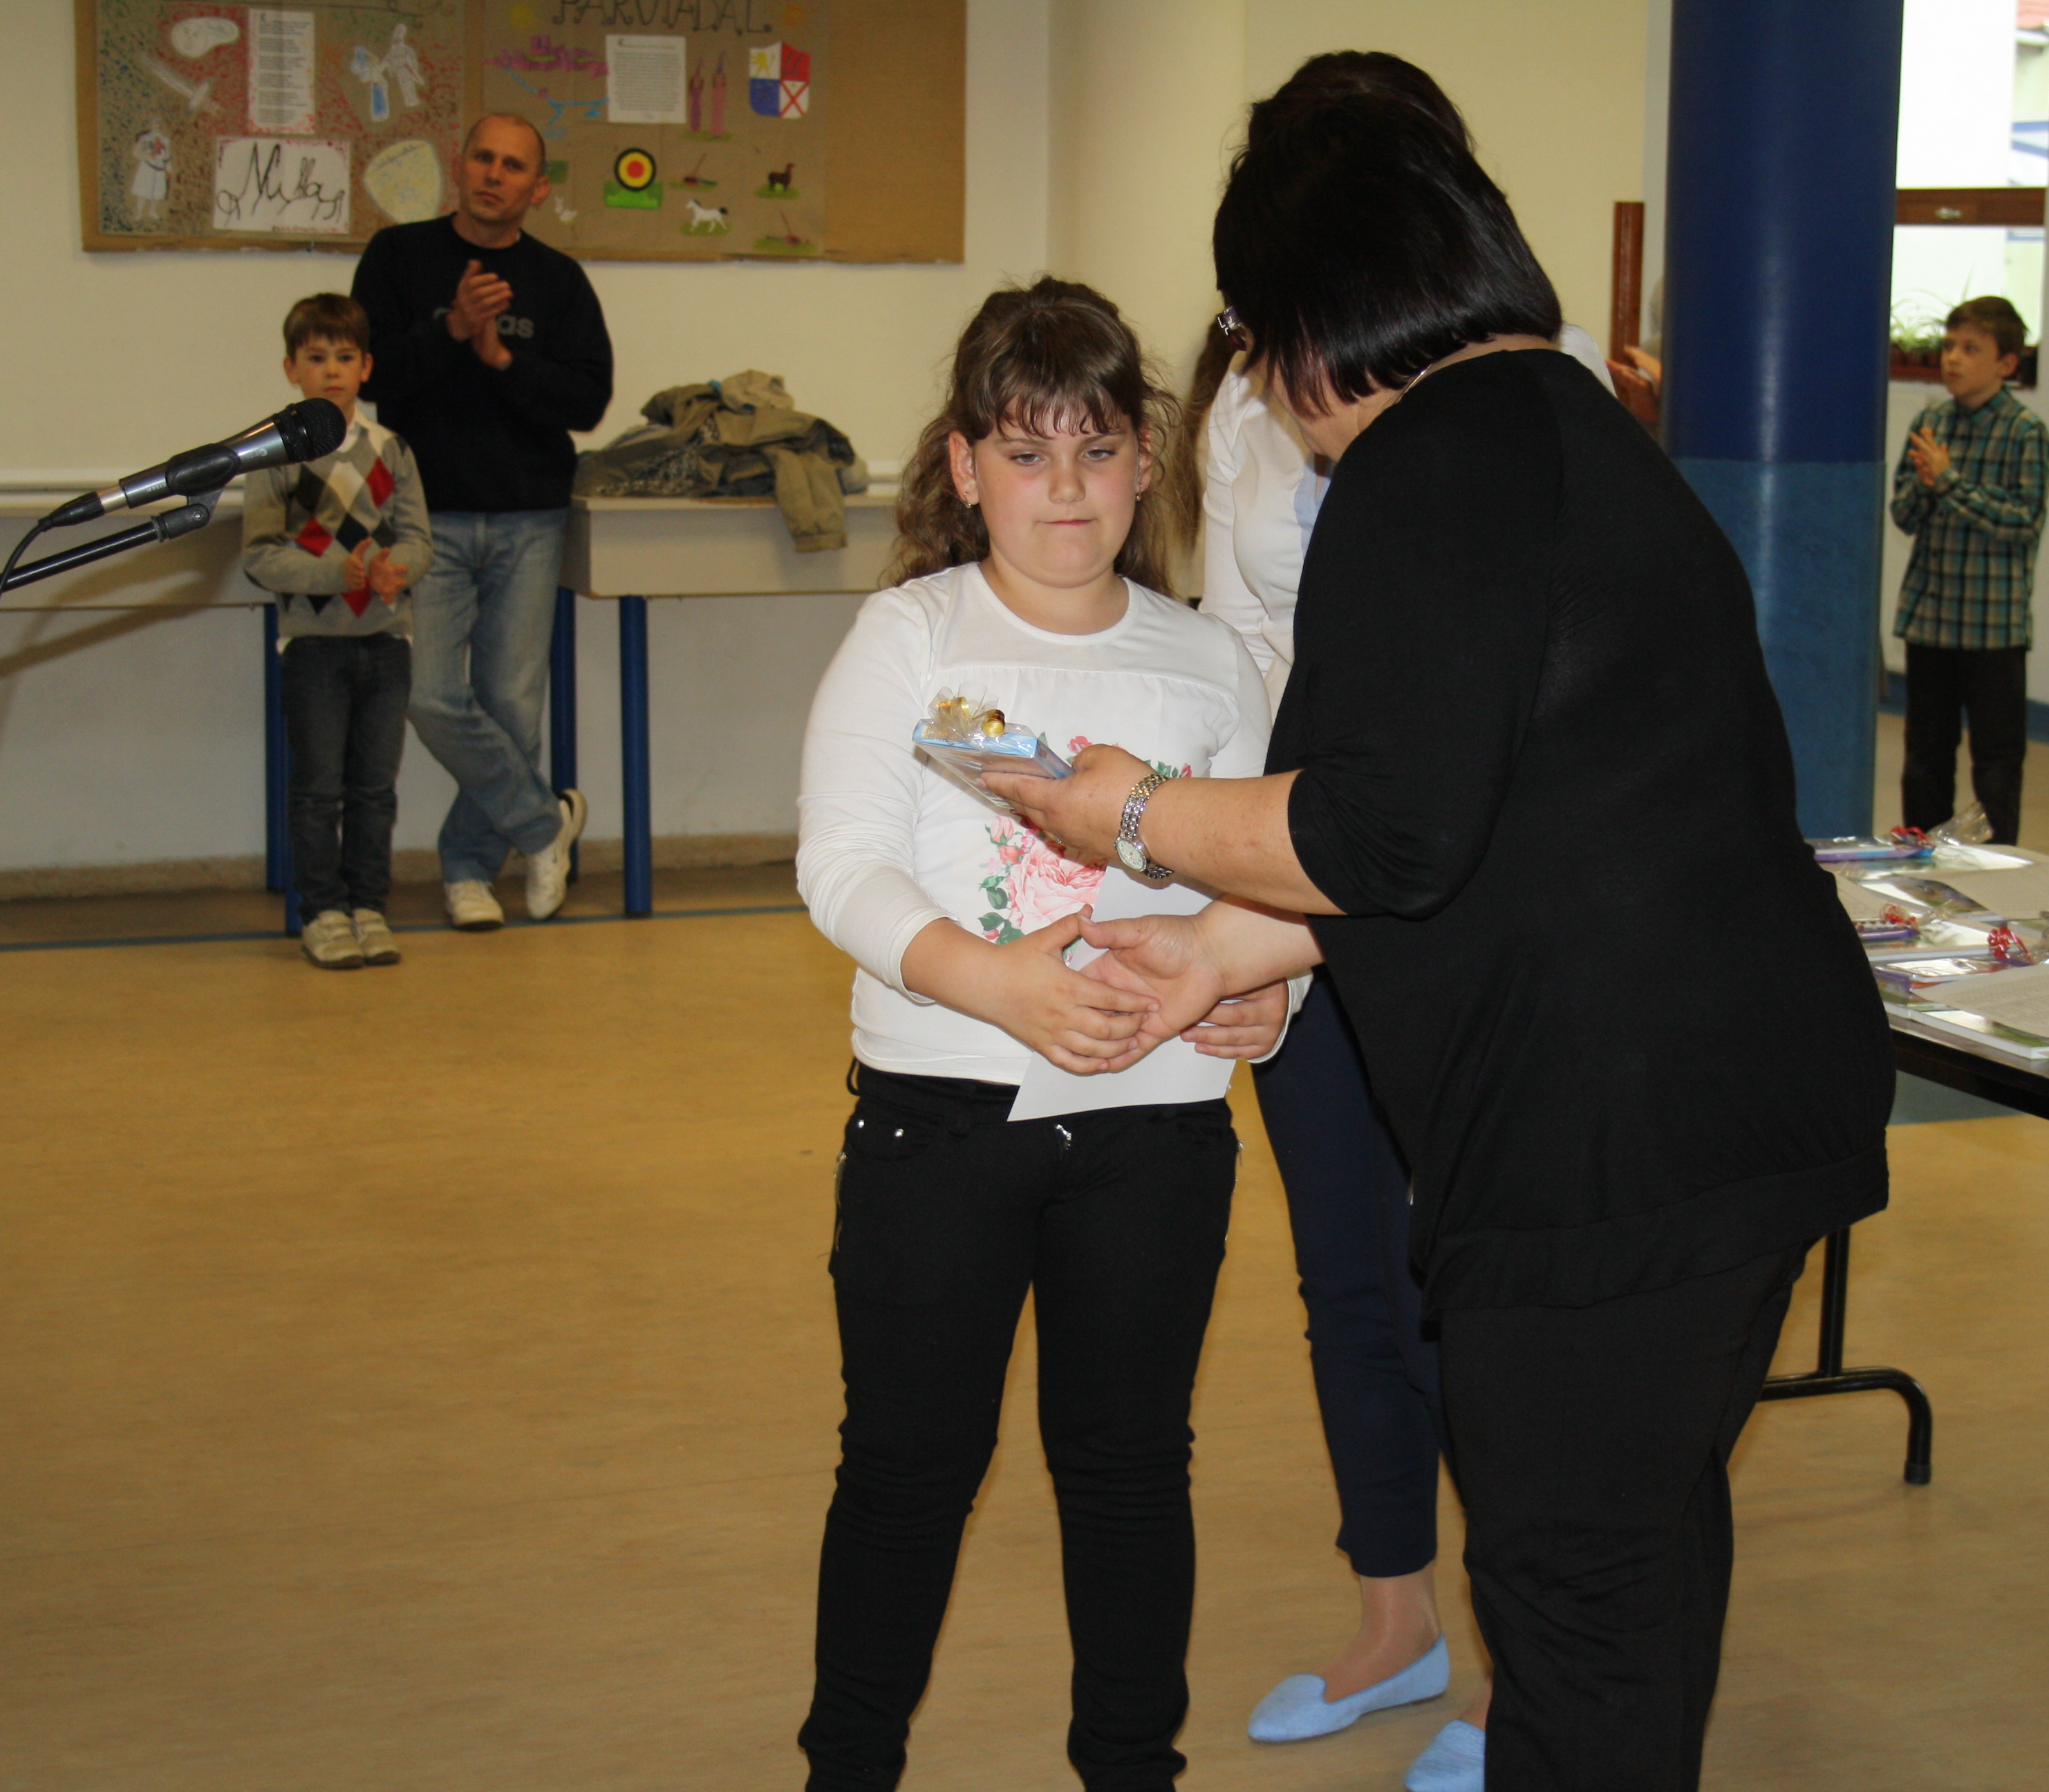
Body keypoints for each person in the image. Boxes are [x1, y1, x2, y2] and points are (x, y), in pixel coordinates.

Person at [992, 87, 1893, 1792]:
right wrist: (1219, 956)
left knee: (1572, 1609)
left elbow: (1381, 828)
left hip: (1608, 1155)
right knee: (1636, 1555)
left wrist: (1130, 810)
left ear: (1316, 311)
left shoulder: (1424, 464)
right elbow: (1500, 815)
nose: (1263, 378)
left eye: (1256, 330)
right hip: (1750, 1109)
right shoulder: (1567, 424)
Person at [1185, 50, 1618, 1792]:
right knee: (1346, 1271)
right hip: (1302, 880)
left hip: (1472, 902)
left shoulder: (1520, 385)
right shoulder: (1242, 401)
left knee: (1486, 1284)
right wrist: (1231, 895)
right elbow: (1239, 656)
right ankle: (1395, 1615)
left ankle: (1521, 1668)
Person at [792, 277, 1289, 1791]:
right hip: (937, 1126)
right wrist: (996, 985)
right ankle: (848, 1766)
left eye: (1095, 449)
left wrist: (1264, 989)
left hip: (1159, 1134)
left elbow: (1274, 877)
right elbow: (843, 869)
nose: (1064, 487)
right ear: (963, 466)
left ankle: (1133, 1766)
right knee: (907, 1471)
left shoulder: (1210, 660)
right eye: (1025, 452)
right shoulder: (909, 636)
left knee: (1131, 1474)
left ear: (1145, 460)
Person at [353, 112, 612, 931]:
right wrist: (453, 330)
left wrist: (502, 359)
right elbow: (370, 374)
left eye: (513, 166)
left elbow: (588, 401)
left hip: (529, 516)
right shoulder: (397, 257)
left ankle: (469, 869)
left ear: (537, 189)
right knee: (429, 695)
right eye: (482, 158)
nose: (494, 175)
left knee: (511, 706)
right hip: (423, 519)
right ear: (459, 166)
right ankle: (543, 824)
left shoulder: (559, 280)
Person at [241, 294, 431, 969]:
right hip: (314, 647)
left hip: (387, 640)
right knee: (319, 788)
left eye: (344, 358)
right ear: (291, 369)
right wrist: (335, 573)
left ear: (366, 367)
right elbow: (261, 555)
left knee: (375, 787)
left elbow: (418, 539)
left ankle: (368, 907)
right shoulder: (274, 455)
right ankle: (322, 912)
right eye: (316, 358)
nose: (331, 371)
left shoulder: (391, 449)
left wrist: (395, 569)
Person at [1891, 295, 2049, 843]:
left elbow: (2022, 521)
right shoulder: (1931, 423)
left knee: (1996, 763)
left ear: (2006, 363)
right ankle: (1919, 858)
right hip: (1931, 621)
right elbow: (1903, 514)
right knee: (1925, 758)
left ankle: (1998, 867)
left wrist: (1949, 482)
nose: (1953, 359)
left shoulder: (2026, 432)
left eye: (1970, 349)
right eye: (1948, 346)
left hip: (1992, 628)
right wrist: (1927, 483)